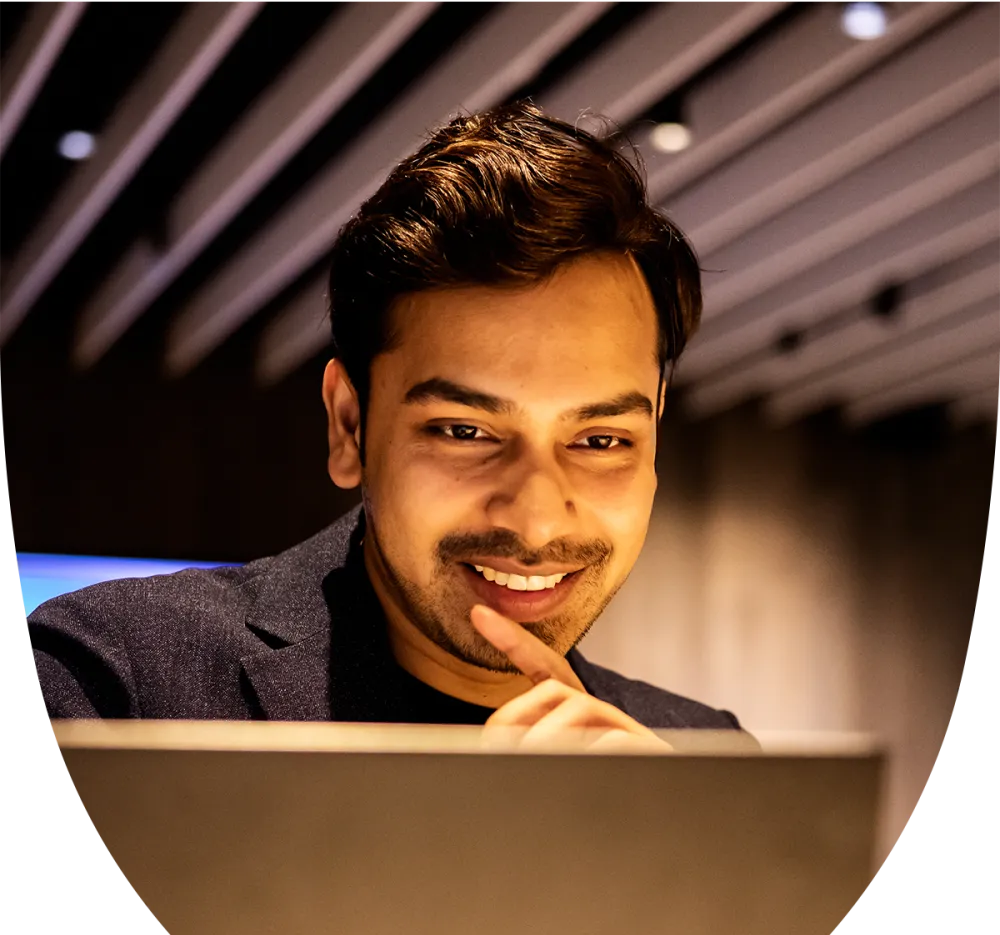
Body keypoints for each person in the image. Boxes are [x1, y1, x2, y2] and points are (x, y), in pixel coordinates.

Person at [24, 101, 748, 750]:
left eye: (599, 440)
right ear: (349, 425)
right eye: (465, 431)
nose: (533, 520)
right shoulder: (111, 686)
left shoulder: (706, 761)